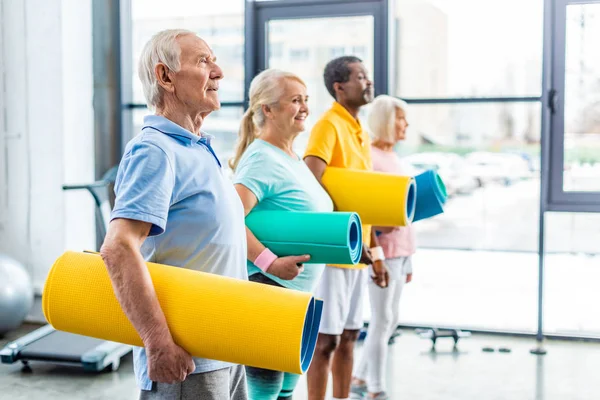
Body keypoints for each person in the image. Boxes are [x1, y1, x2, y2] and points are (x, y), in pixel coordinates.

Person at [100, 29, 248, 400]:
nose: (218, 72)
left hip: (227, 346)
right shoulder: (155, 151)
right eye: (203, 61)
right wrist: (157, 342)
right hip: (187, 359)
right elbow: (118, 248)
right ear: (165, 77)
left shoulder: (200, 148)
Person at [230, 68, 334, 400]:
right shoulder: (260, 159)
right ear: (268, 110)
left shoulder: (291, 156)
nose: (304, 107)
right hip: (269, 288)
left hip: (296, 297)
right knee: (265, 392)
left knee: (286, 391)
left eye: (306, 100)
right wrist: (270, 263)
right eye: (295, 100)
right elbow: (229, 219)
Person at [303, 56, 389, 400]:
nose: (368, 82)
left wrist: (376, 253)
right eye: (360, 77)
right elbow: (311, 175)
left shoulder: (359, 130)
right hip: (336, 248)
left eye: (367, 76)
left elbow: (361, 200)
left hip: (358, 250)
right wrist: (340, 232)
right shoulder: (328, 125)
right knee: (326, 340)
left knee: (351, 335)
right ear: (340, 87)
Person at [351, 95, 416, 400]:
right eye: (401, 118)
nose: (405, 125)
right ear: (386, 120)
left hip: (402, 252)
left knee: (391, 318)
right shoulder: (369, 157)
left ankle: (361, 377)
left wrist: (410, 261)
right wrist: (377, 236)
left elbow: (403, 211)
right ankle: (376, 387)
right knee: (382, 319)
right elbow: (361, 211)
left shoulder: (395, 158)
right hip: (383, 252)